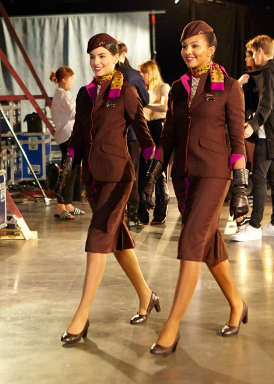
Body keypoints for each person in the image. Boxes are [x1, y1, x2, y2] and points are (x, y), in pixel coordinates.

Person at [142, 21, 249, 357]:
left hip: (215, 174)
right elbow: (168, 136)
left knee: (190, 241)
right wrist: (153, 173)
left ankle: (172, 326)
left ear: (211, 50)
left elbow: (237, 140)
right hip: (184, 176)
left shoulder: (229, 87)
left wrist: (241, 186)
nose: (188, 51)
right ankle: (237, 304)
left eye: (195, 46)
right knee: (209, 244)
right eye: (185, 46)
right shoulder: (177, 88)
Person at [57, 33, 159, 344]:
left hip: (118, 177)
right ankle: (147, 295)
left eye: (102, 56)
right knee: (118, 242)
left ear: (116, 57)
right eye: (92, 57)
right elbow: (77, 134)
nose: (96, 62)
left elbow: (144, 134)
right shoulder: (85, 93)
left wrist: (154, 171)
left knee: (98, 238)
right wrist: (68, 163)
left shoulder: (126, 91)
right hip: (93, 177)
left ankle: (81, 316)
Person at [231, 35, 274, 241]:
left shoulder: (268, 71)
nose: (252, 57)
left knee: (259, 178)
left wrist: (253, 125)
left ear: (260, 51)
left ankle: (254, 226)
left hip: (268, 134)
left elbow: (267, 103)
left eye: (253, 53)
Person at [117, 41, 149, 229]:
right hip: (131, 132)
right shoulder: (133, 75)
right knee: (133, 173)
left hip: (112, 132)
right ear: (124, 54)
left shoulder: (105, 76)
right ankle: (133, 214)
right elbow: (145, 100)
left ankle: (118, 214)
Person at [138, 60, 170, 225]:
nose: (142, 75)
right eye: (140, 72)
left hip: (158, 128)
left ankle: (160, 211)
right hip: (143, 128)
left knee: (158, 172)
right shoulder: (140, 88)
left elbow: (164, 107)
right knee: (142, 170)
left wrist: (145, 103)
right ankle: (142, 209)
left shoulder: (163, 87)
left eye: (144, 72)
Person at [50, 66, 84, 220]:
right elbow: (75, 112)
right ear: (64, 80)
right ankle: (60, 206)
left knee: (73, 168)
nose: (73, 82)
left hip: (68, 135)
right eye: (71, 79)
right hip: (68, 136)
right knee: (68, 169)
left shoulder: (61, 94)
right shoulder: (63, 95)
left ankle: (68, 203)